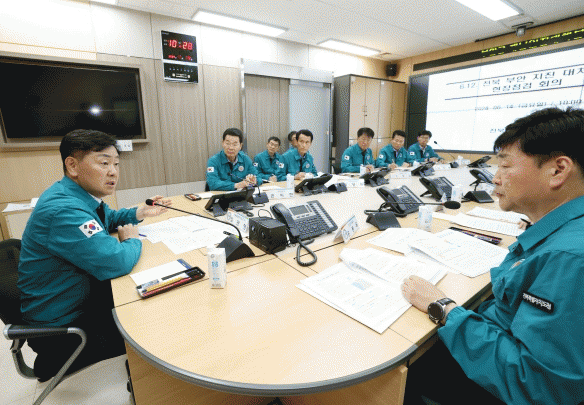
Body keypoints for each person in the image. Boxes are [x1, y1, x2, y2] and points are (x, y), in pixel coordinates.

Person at [401, 107, 584, 405]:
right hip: (498, 341)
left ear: (558, 170)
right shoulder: (564, 232)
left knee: (405, 368)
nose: (495, 179)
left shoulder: (569, 259)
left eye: (505, 166)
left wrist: (444, 308)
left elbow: (537, 384)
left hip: (502, 381)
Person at [18, 129, 171, 382]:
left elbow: (108, 218)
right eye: (104, 163)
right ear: (72, 166)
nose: (113, 172)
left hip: (75, 300)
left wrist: (139, 212)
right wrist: (132, 240)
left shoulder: (76, 195)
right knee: (155, 326)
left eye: (116, 164)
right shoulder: (64, 210)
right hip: (64, 331)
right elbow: (116, 261)